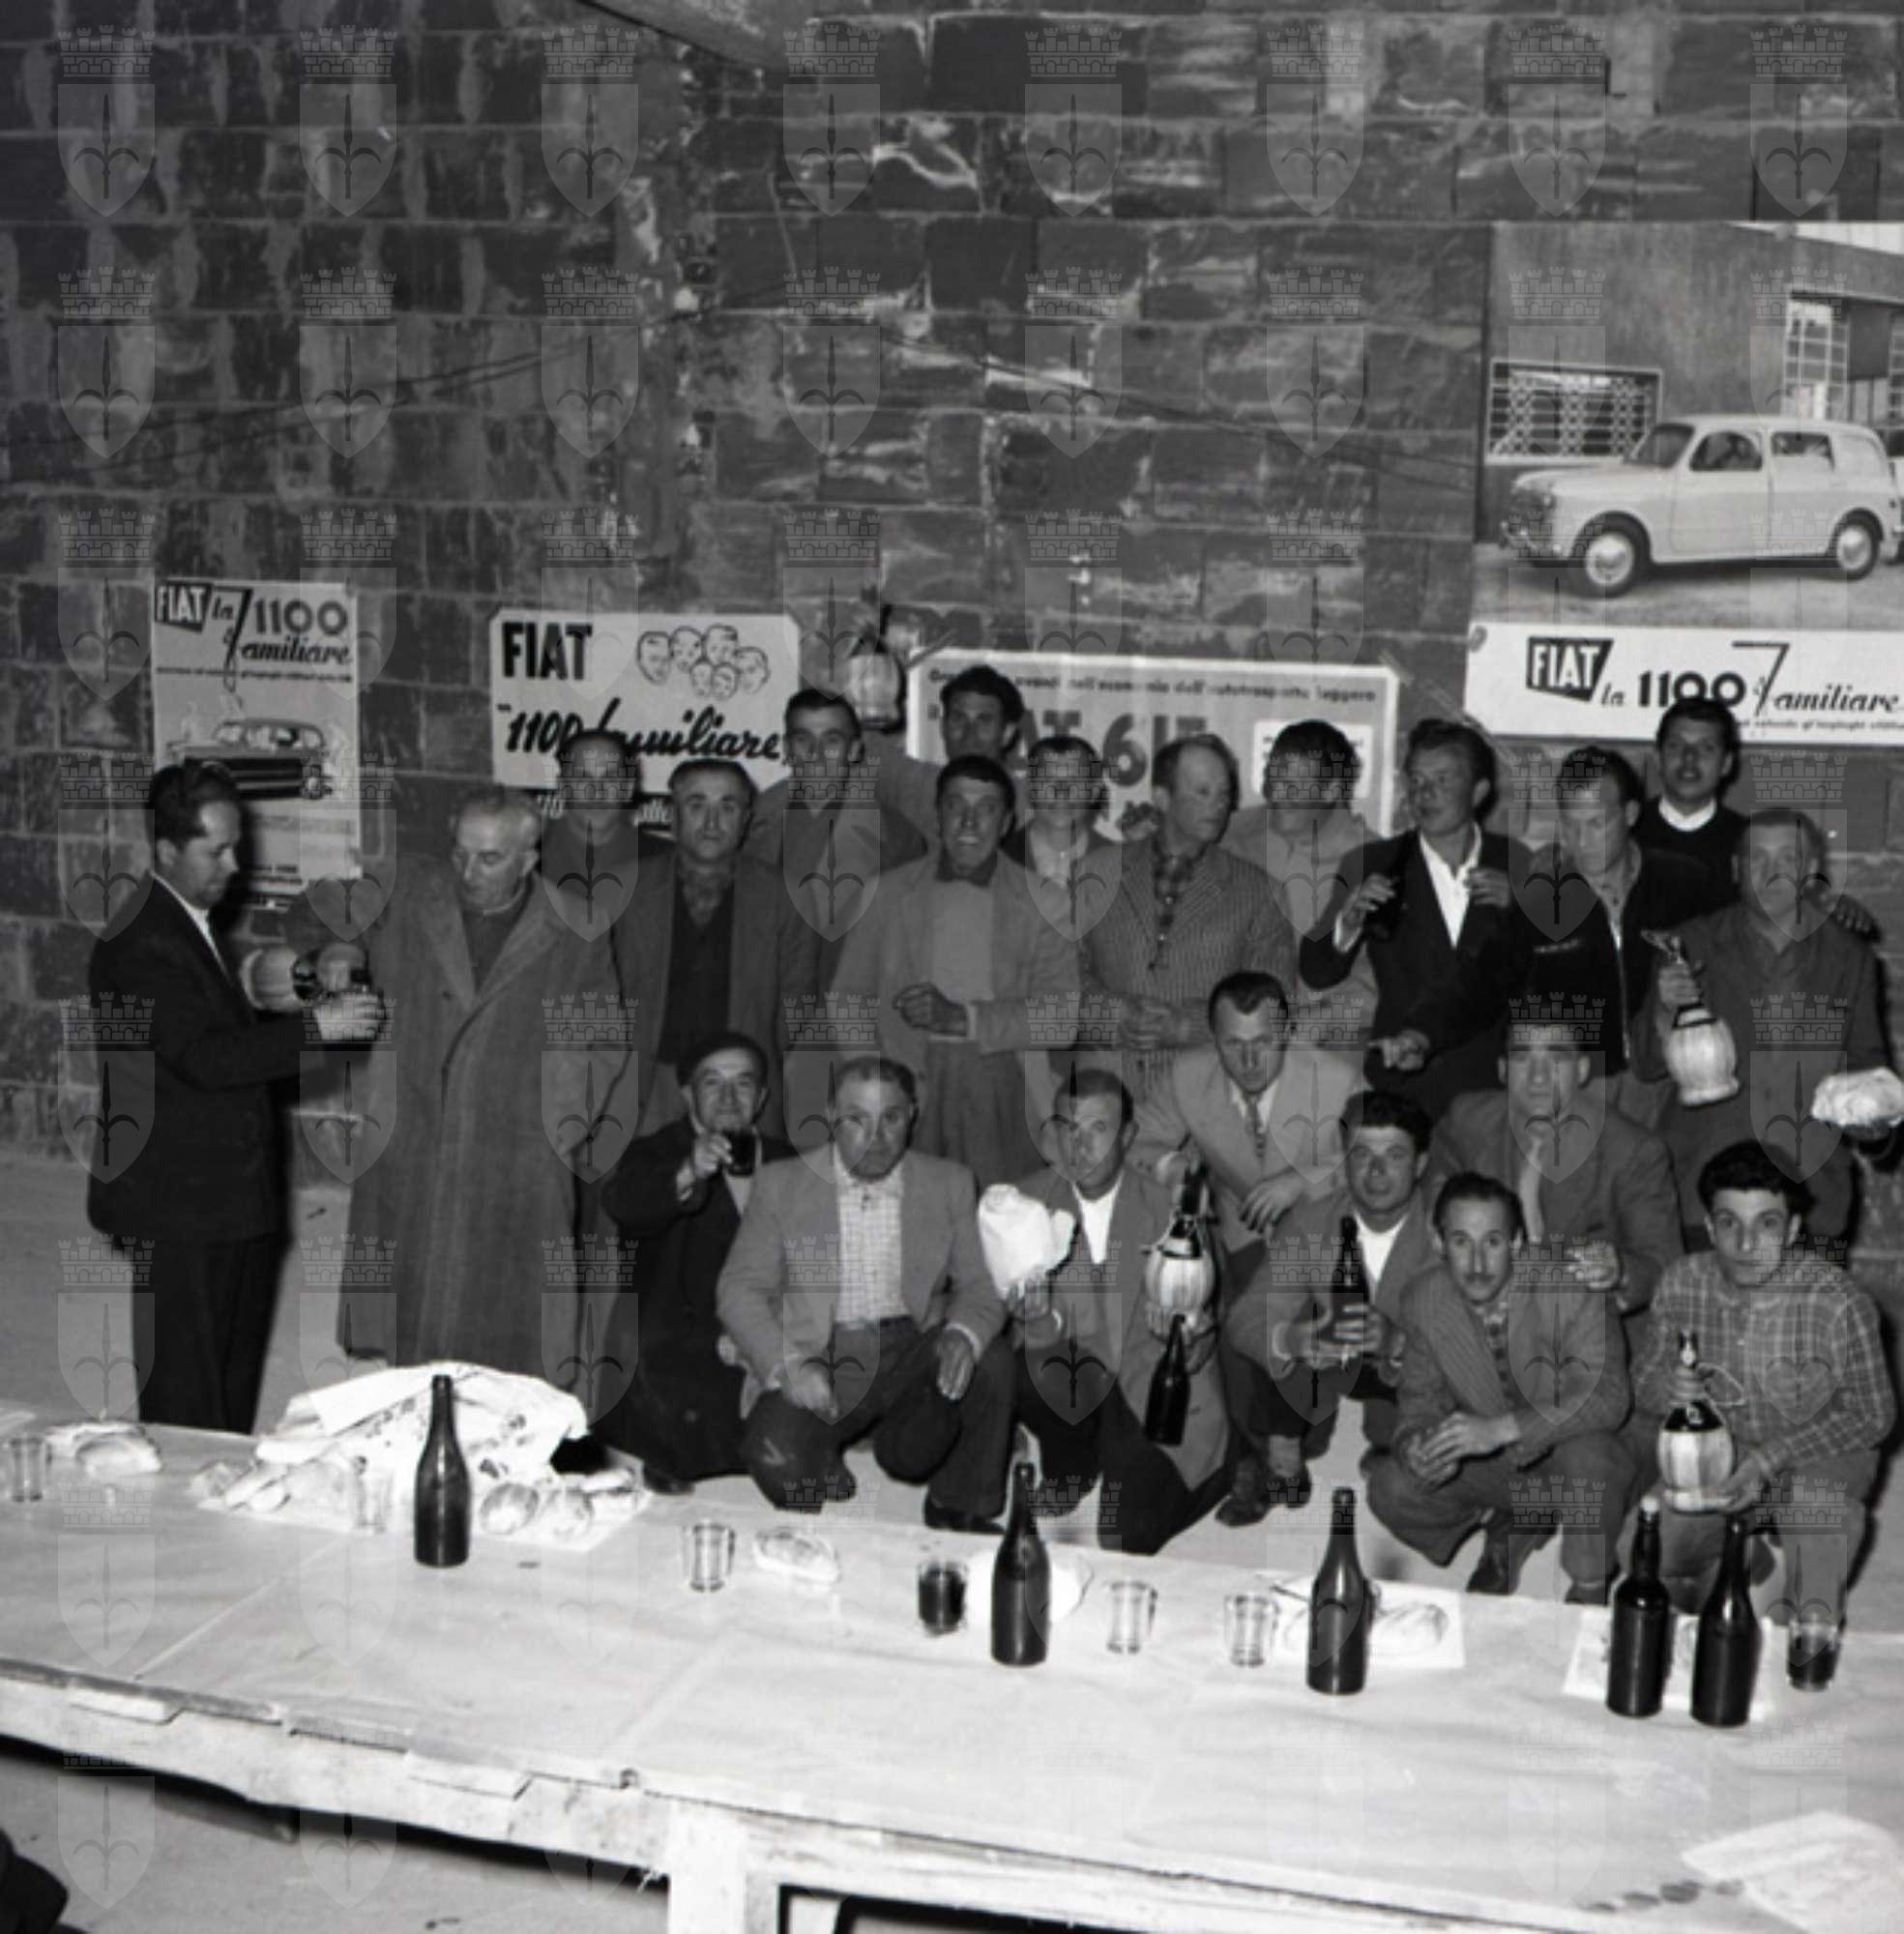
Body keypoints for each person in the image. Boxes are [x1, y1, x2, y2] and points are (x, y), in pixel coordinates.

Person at [84, 761, 382, 1431]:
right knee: (185, 1404)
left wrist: (293, 984)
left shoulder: (186, 920)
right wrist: (320, 1028)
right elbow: (203, 1057)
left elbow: (210, 1017)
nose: (234, 864)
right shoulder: (138, 942)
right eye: (215, 851)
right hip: (180, 1208)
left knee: (228, 1393)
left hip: (224, 1201)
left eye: (236, 845)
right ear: (166, 850)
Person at [331, 786, 630, 1376]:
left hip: (516, 1151)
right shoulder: (409, 891)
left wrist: (553, 1124)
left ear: (528, 858)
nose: (468, 872)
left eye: (489, 858)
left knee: (507, 1335)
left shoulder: (578, 927)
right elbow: (324, 916)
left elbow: (601, 1040)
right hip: (414, 1132)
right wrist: (337, 950)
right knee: (413, 1314)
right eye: (460, 853)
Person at [717, 1056, 1012, 1530]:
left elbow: (981, 1284)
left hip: (914, 1347)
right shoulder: (781, 1183)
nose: (876, 1137)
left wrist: (963, 1334)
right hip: (822, 1351)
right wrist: (787, 1365)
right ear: (832, 1115)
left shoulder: (949, 1182)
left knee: (991, 1360)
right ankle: (823, 1460)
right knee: (776, 1456)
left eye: (891, 1118)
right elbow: (738, 1288)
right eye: (857, 1119)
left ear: (912, 1115)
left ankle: (958, 1505)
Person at [1624, 1141, 1894, 1636]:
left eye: (1767, 1224)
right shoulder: (1681, 1284)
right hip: (1725, 1453)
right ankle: (1735, 1565)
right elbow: (1642, 1384)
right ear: (1710, 1227)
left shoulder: (1839, 1302)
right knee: (1643, 1550)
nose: (1747, 1244)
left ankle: (1806, 1625)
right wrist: (1670, 1388)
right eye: (1729, 1223)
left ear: (1792, 1229)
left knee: (1818, 1534)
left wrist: (1770, 1461)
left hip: (1815, 1454)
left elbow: (1874, 1416)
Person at [1366, 1173, 1636, 1605]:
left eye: (1492, 1242)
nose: (1477, 1262)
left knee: (1591, 1455)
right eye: (1461, 1242)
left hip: (1576, 1464)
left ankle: (1589, 1588)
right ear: (1438, 1243)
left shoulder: (1570, 1286)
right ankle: (1508, 1521)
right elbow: (1418, 1403)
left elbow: (1608, 1397)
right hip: (1500, 1470)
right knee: (1391, 1486)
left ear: (1516, 1243)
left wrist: (1501, 1429)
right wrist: (1417, 1446)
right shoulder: (1423, 1299)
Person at [1002, 1069, 1233, 1555]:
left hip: (1151, 1380)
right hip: (1076, 1369)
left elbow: (1206, 1333)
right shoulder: (1024, 1204)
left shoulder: (1173, 1212)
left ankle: (1235, 1457)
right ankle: (1072, 1468)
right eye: (1068, 1128)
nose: (1079, 1146)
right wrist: (1031, 1318)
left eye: (1098, 1129)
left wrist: (1188, 1341)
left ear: (1128, 1136)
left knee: (1123, 1536)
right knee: (1019, 1370)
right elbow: (1011, 1330)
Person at [1634, 809, 1888, 1252]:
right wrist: (1665, 1010)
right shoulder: (1688, 944)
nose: (1772, 872)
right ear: (1736, 868)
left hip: (1811, 1193)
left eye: (1787, 859)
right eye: (1758, 859)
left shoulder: (1849, 957)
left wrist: (1878, 1117)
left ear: (1810, 870)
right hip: (1706, 1193)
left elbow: (1868, 1065)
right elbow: (1645, 1064)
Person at [831, 755, 1078, 1187]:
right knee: (909, 1217)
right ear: (937, 814)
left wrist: (964, 1018)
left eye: (986, 809)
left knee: (1000, 1219)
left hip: (1004, 1087)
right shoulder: (883, 894)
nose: (969, 822)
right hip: (905, 1084)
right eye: (955, 806)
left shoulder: (1047, 903)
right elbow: (847, 1000)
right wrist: (874, 1085)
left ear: (1006, 823)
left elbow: (1062, 1019)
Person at [1301, 719, 1531, 1121]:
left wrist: (1523, 912)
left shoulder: (1519, 862)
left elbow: (1550, 968)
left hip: (1494, 1089)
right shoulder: (1372, 862)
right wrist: (1348, 923)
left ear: (1479, 791)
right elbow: (1316, 971)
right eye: (1416, 780)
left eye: (1442, 779)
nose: (1425, 793)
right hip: (1401, 1080)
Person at [1224, 1090, 1438, 1522]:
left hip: (1414, 1366)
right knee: (1272, 1325)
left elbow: (1478, 1336)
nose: (1376, 1171)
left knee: (1415, 1472)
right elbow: (1247, 1316)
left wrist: (1397, 1341)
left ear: (1420, 1165)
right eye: (1362, 1155)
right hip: (1330, 1360)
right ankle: (1281, 1455)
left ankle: (1391, 1435)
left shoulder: (1446, 1226)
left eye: (1395, 1156)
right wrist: (1290, 1339)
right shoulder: (1309, 1222)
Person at [598, 1031, 789, 1494]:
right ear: (687, 1095)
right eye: (712, 1083)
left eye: (743, 1083)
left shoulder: (789, 1161)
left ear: (762, 1098)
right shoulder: (654, 1152)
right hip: (677, 1351)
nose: (728, 1097)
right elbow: (624, 1201)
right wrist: (688, 1171)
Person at [1426, 1002, 1681, 1324]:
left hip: (1588, 1327)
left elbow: (1663, 1263)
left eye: (1556, 1059)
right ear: (1502, 1071)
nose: (1538, 1077)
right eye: (1522, 1059)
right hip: (1482, 1321)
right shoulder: (1467, 1121)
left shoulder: (1632, 1151)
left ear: (1582, 1070)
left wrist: (1619, 1269)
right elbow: (1435, 1186)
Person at [608, 757, 818, 1140]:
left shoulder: (784, 896)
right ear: (671, 815)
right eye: (696, 805)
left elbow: (797, 1006)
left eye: (728, 807)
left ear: (746, 819)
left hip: (740, 1090)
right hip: (643, 1087)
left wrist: (752, 1072)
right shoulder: (621, 892)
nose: (711, 822)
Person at [1080, 733, 1298, 1101]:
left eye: (1224, 794)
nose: (1218, 805)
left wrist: (1188, 1026)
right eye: (1202, 792)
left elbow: (1276, 1005)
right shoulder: (1095, 872)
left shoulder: (1260, 892)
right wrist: (1112, 1014)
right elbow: (1058, 973)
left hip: (1207, 1099)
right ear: (1162, 798)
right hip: (1103, 1093)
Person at [1512, 744, 1709, 1124]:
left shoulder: (1686, 882)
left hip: (1674, 1079)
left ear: (1630, 814)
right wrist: (1421, 1033)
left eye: (1596, 824)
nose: (1581, 840)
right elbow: (1481, 988)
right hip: (1581, 1086)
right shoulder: (1539, 899)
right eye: (1570, 825)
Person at [1130, 971, 1358, 1267]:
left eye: (1262, 1041)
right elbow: (1133, 1141)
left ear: (1287, 1032)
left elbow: (1381, 1155)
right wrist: (1174, 1169)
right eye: (1234, 1044)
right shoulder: (1187, 1075)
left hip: (1331, 1236)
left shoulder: (1337, 1080)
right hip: (1246, 1237)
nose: (1250, 1061)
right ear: (1213, 1038)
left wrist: (1304, 1182)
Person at [1635, 698, 1874, 935]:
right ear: (1658, 757)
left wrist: (1830, 906)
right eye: (1676, 746)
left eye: (1706, 748)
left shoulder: (1753, 841)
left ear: (1726, 763)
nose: (1689, 758)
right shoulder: (1626, 830)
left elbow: (1794, 905)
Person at [743, 688, 928, 984]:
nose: (816, 755)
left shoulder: (895, 836)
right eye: (803, 740)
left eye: (831, 740)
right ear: (787, 748)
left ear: (854, 750)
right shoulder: (756, 825)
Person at [867, 661, 1032, 842]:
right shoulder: (915, 786)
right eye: (958, 719)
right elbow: (856, 743)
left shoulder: (1030, 805)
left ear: (1007, 733)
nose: (969, 735)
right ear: (942, 726)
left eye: (984, 722)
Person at [538, 729, 644, 939]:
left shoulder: (662, 861)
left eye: (610, 778)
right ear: (562, 787)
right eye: (582, 778)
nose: (596, 792)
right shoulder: (527, 855)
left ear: (628, 788)